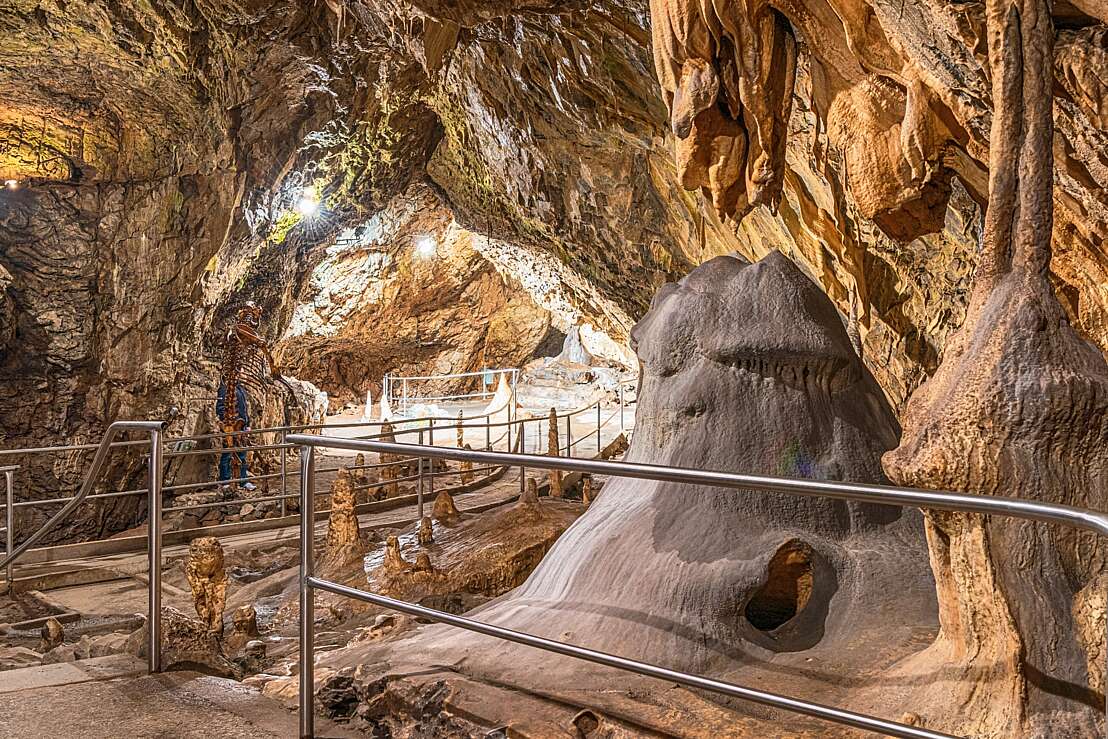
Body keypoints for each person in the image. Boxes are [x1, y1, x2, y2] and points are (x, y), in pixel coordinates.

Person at [216, 382, 257, 491]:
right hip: (230, 427)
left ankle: (243, 481)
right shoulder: (224, 389)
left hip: (241, 427)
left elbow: (244, 409)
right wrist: (228, 424)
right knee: (227, 453)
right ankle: (225, 481)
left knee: (242, 454)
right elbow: (220, 408)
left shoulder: (241, 389)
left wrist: (247, 424)